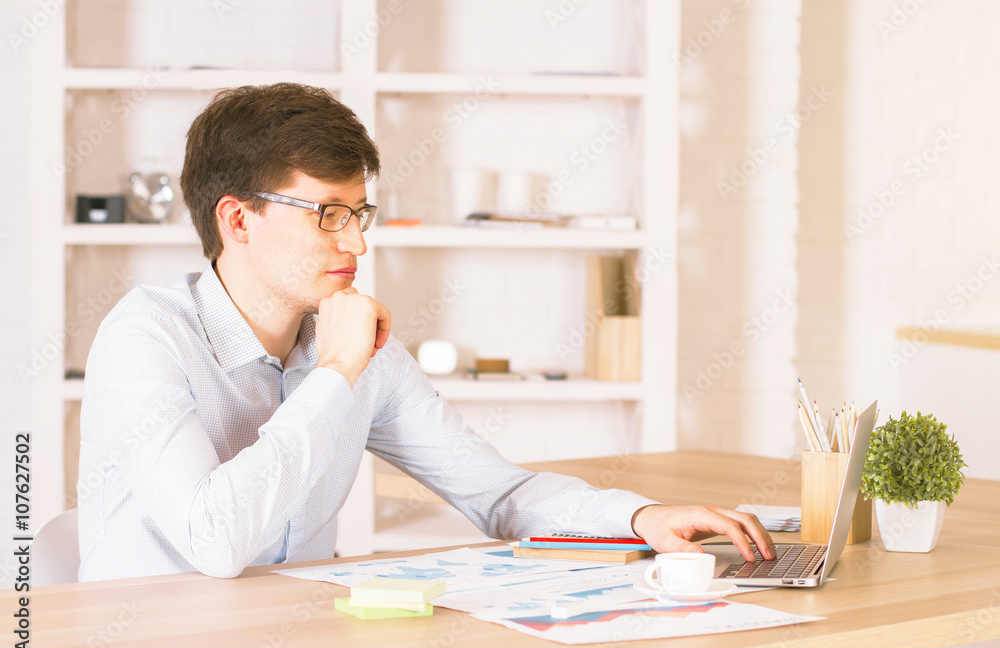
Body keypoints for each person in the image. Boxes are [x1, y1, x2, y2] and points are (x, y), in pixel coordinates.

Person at [76, 83, 774, 581]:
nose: (356, 242)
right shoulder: (145, 340)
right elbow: (215, 542)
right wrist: (334, 374)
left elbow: (497, 495)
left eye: (360, 213)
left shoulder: (356, 346)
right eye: (327, 214)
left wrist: (641, 518)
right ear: (237, 220)